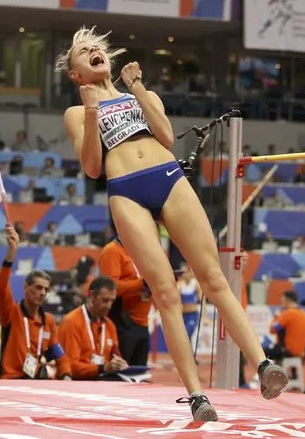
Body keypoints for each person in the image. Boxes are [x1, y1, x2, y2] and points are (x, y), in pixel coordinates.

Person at [58, 25, 287, 421]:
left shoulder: (137, 95)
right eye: (84, 51)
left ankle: (264, 365)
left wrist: (141, 89)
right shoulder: (77, 112)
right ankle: (197, 397)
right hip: (125, 190)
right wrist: (93, 109)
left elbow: (165, 136)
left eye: (97, 47)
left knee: (213, 278)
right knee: (164, 291)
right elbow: (93, 167)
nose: (94, 50)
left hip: (168, 177)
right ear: (76, 74)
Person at [0, 224, 71, 380]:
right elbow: (2, 288)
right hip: (10, 381)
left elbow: (58, 352)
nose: (42, 292)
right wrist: (11, 255)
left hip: (35, 381)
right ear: (25, 287)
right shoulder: (11, 312)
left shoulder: (48, 321)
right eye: (38, 287)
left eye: (46, 290)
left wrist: (66, 374)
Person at [98, 220, 152, 366]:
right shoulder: (112, 251)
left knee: (139, 376)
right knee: (122, 375)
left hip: (142, 322)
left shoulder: (138, 252)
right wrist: (142, 284)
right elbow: (110, 288)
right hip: (123, 322)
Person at [59, 276, 129, 380]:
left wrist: (120, 364)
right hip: (79, 382)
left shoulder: (109, 325)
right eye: (105, 300)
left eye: (112, 301)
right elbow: (70, 367)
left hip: (101, 379)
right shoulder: (72, 322)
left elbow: (116, 355)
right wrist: (103, 368)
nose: (109, 306)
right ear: (91, 296)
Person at [265, 290, 305, 361]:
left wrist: (276, 316)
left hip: (287, 351)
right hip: (300, 352)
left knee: (262, 352)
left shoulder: (287, 314)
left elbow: (272, 330)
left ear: (287, 300)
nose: (281, 303)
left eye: (282, 300)